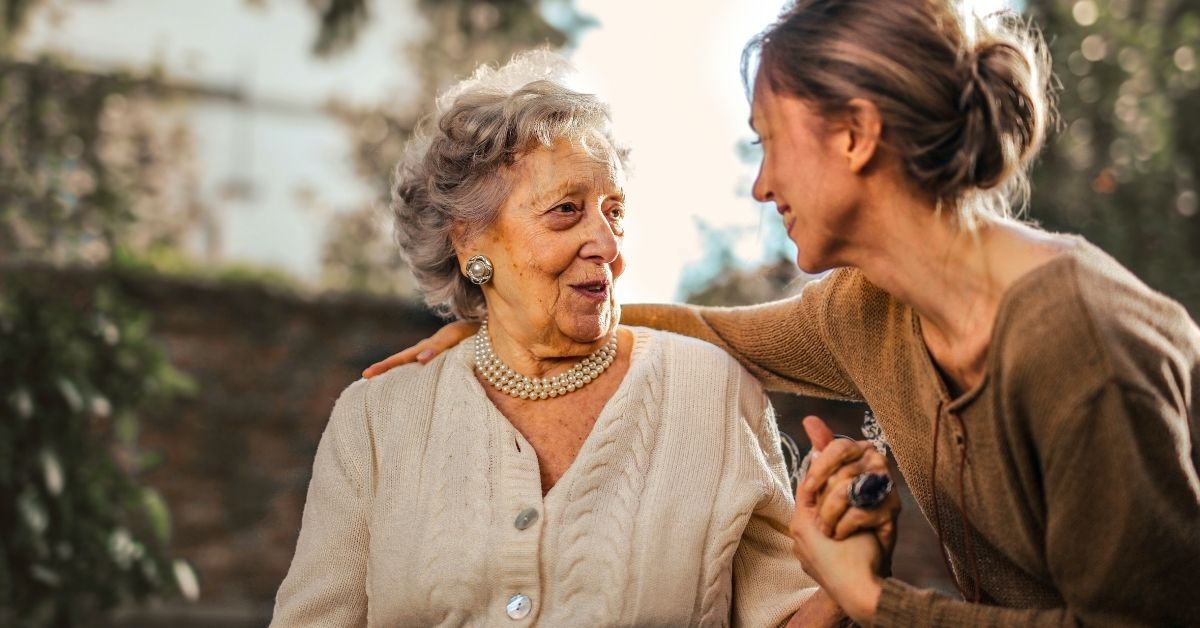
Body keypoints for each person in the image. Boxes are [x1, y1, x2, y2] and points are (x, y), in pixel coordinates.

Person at [364, 2, 1200, 626]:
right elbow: (706, 330)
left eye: (768, 140)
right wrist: (505, 322)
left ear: (855, 136)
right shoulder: (870, 311)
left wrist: (869, 597)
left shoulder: (1079, 345)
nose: (761, 185)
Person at [272, 51, 890, 626]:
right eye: (567, 210)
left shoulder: (713, 392)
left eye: (613, 210)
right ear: (470, 243)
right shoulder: (378, 419)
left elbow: (779, 615)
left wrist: (846, 582)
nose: (609, 245)